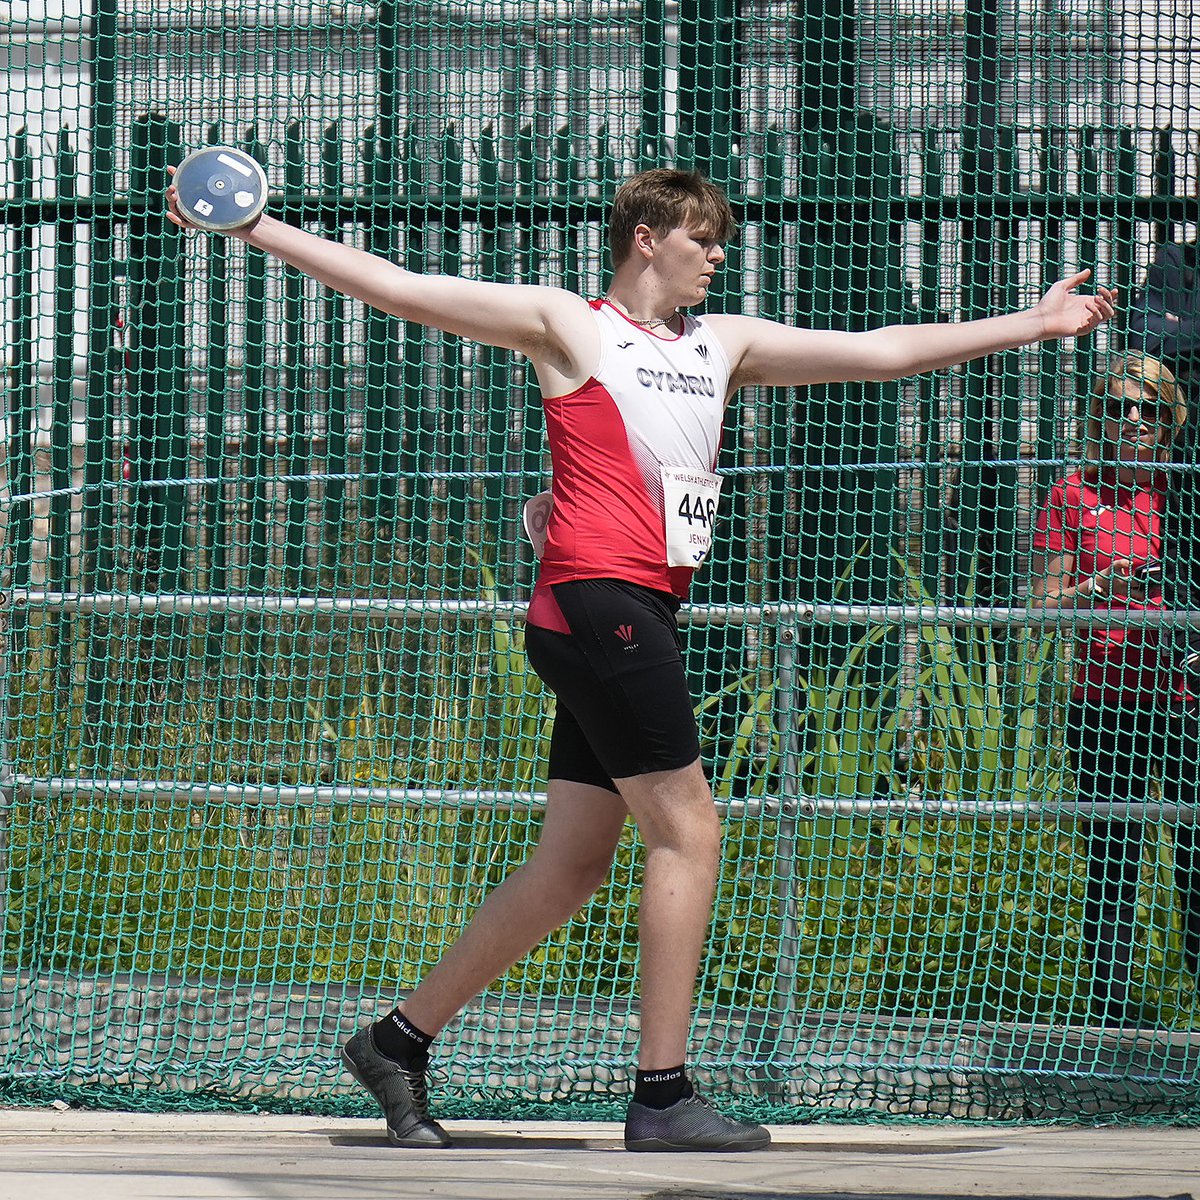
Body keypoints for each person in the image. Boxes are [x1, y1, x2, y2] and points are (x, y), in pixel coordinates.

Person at [167, 165, 1114, 1150]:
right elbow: (401, 288)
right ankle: (662, 1097)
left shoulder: (724, 343)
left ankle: (395, 1042)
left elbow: (881, 353)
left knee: (574, 863)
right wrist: (254, 225)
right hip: (597, 604)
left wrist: (1032, 324)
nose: (718, 256)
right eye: (703, 239)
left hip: (635, 612)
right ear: (647, 236)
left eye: (722, 242)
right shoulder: (569, 325)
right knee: (690, 833)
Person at [1029, 353, 1200, 1025]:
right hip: (1106, 701)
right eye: (1118, 407)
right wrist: (1100, 587)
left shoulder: (1184, 489)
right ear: (1098, 417)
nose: (1133, 419)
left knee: (1194, 857)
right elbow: (1040, 608)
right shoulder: (1074, 493)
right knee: (1112, 860)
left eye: (1148, 409)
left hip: (1186, 700)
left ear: (1169, 421)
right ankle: (1110, 1017)